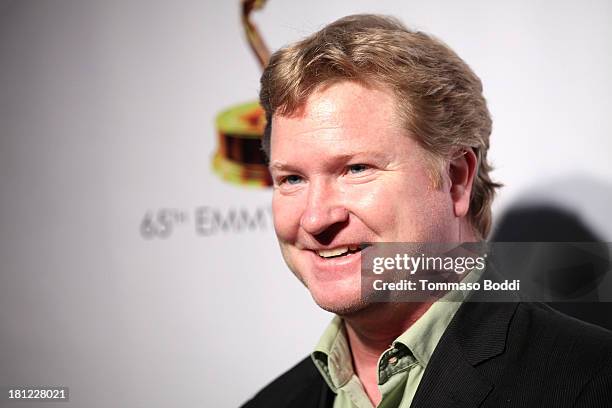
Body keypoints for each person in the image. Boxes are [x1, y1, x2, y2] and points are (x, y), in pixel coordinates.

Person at [242, 14, 612, 408]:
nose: (315, 219)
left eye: (356, 169)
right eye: (292, 179)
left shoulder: (592, 383)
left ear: (455, 178)